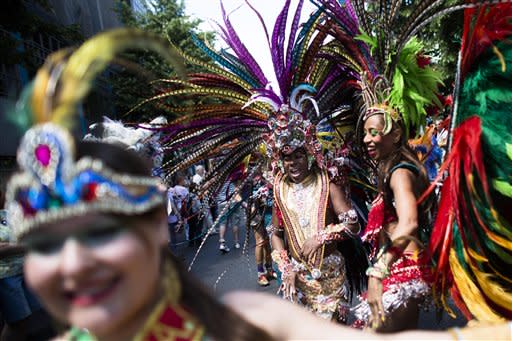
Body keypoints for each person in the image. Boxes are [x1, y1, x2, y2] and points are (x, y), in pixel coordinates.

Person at [6, 123, 275, 341]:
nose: (73, 264)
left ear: (158, 222)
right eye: (46, 243)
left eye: (102, 232)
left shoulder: (255, 324)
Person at [246, 177, 276, 286]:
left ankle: (269, 269)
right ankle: (260, 274)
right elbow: (238, 193)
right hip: (255, 213)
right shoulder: (247, 175)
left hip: (269, 210)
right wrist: (249, 204)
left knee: (268, 240)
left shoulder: (268, 170)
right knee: (260, 242)